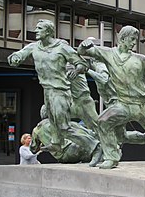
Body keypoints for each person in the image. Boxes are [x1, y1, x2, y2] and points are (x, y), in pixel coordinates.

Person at [78, 25, 145, 171]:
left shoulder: (140, 59)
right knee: (103, 122)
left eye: (136, 40)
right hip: (122, 104)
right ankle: (111, 157)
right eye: (132, 40)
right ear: (122, 39)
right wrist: (83, 45)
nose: (134, 43)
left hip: (142, 106)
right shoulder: (108, 53)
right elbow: (82, 52)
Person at [7, 19, 101, 161]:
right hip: (47, 91)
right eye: (36, 28)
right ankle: (57, 144)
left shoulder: (61, 47)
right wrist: (14, 58)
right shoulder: (34, 47)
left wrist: (76, 71)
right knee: (54, 125)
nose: (36, 31)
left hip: (60, 91)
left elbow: (81, 63)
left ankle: (95, 146)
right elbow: (18, 55)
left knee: (63, 127)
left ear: (48, 32)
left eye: (39, 28)